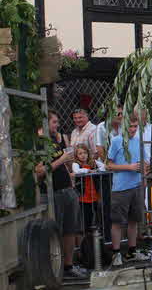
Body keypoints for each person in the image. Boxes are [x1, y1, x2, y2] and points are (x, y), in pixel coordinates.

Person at [35, 112, 87, 279]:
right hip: (53, 193)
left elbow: (66, 162)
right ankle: (54, 269)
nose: (57, 125)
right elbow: (40, 171)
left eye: (57, 122)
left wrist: (70, 170)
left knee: (70, 230)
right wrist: (62, 159)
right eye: (54, 122)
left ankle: (68, 266)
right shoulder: (39, 143)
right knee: (55, 231)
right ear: (44, 123)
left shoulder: (58, 139)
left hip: (67, 190)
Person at [105, 116, 150, 266]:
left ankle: (132, 251)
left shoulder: (138, 142)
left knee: (134, 221)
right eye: (130, 126)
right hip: (121, 188)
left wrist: (143, 174)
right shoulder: (117, 141)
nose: (132, 129)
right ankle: (116, 253)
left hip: (136, 186)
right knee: (117, 222)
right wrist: (128, 167)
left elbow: (144, 163)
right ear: (124, 126)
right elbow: (108, 165)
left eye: (135, 127)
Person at [72, 143, 106, 245]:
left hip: (95, 197)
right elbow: (77, 171)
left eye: (85, 153)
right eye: (80, 153)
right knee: (85, 221)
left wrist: (96, 170)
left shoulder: (93, 162)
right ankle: (85, 243)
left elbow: (104, 167)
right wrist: (88, 171)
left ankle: (97, 241)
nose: (83, 155)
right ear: (76, 155)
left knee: (97, 218)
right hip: (83, 198)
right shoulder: (76, 164)